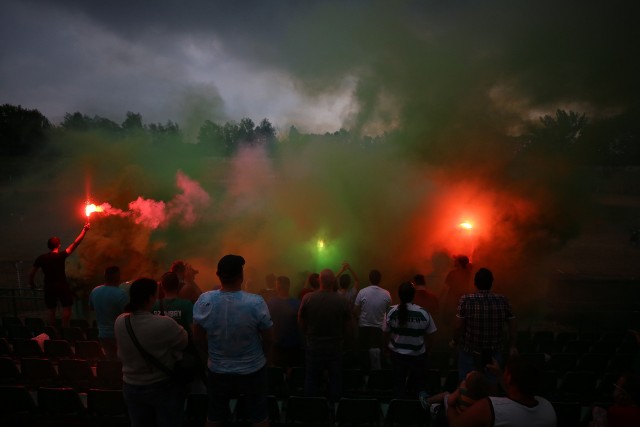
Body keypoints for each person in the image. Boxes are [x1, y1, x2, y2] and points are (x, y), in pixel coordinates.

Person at [192, 254, 273, 427]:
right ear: (241, 276)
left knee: (214, 416)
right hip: (253, 369)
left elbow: (197, 338)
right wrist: (263, 354)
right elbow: (269, 338)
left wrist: (213, 353)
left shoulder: (205, 301)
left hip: (218, 370)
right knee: (258, 417)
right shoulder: (255, 303)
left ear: (218, 275)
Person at [114, 278, 189, 427]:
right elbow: (184, 342)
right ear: (150, 298)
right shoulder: (164, 323)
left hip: (131, 386)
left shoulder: (120, 321)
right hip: (162, 386)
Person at [447, 355, 557, 427]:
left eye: (506, 370)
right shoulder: (548, 408)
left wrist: (450, 404)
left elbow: (455, 425)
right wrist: (500, 375)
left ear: (509, 378)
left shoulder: (490, 407)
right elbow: (517, 401)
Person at [452, 268, 517, 382]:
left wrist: (454, 341)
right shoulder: (503, 300)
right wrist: (512, 346)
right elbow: (512, 325)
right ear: (491, 283)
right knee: (491, 386)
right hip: (493, 354)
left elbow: (458, 327)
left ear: (475, 283)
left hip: (469, 352)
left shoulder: (466, 300)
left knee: (467, 386)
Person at [298, 268, 351, 404]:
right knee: (335, 379)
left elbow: (301, 320)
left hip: (314, 346)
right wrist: (342, 338)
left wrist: (307, 335)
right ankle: (334, 410)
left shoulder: (308, 298)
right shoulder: (342, 300)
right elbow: (348, 324)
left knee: (311, 379)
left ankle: (311, 411)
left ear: (318, 280)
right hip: (335, 347)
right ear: (333, 281)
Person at [383, 282, 437, 404]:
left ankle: (400, 410)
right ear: (413, 296)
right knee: (419, 386)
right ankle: (418, 411)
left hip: (397, 356)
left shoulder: (391, 311)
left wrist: (386, 348)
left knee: (399, 387)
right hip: (418, 356)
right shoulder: (423, 313)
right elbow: (431, 335)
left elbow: (385, 333)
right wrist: (427, 350)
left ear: (399, 295)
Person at [29, 223, 90, 328]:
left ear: (48, 246)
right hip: (62, 286)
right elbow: (75, 243)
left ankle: (53, 332)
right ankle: (64, 329)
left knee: (50, 310)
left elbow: (32, 273)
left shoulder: (41, 258)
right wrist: (84, 230)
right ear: (59, 245)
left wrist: (32, 284)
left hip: (48, 286)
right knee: (67, 307)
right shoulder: (61, 256)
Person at [354, 269, 391, 369]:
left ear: (369, 279)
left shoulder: (362, 292)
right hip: (378, 329)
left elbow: (355, 309)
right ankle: (376, 378)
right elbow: (388, 311)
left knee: (363, 354)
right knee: (377, 356)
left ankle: (363, 376)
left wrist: (358, 319)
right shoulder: (386, 294)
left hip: (364, 328)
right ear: (380, 280)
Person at [88, 265, 127, 359]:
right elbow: (127, 314)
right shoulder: (121, 294)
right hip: (118, 335)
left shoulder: (95, 291)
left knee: (110, 360)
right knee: (122, 361)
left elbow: (91, 307)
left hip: (102, 334)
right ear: (118, 277)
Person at [267, 275, 302, 370]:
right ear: (289, 286)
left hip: (277, 343)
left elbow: (266, 323)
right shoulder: (297, 303)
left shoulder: (271, 302)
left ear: (277, 286)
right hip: (293, 344)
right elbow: (301, 325)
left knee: (277, 372)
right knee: (292, 371)